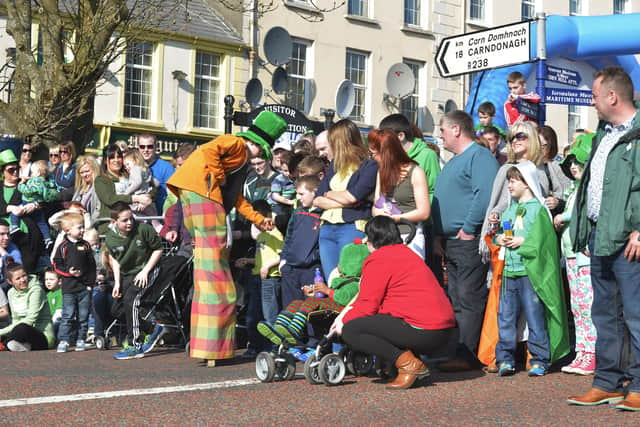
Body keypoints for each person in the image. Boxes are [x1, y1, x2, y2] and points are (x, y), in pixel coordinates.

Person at [167, 110, 287, 366]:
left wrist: (258, 219)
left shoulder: (241, 162)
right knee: (217, 271)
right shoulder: (237, 145)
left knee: (208, 268)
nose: (258, 159)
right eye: (261, 151)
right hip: (204, 195)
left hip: (194, 194)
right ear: (255, 143)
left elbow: (237, 199)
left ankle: (207, 344)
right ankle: (215, 346)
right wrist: (218, 178)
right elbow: (210, 150)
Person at [567, 66, 640, 410]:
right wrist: (584, 229)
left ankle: (639, 384)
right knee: (604, 313)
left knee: (636, 314)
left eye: (595, 95)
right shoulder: (603, 133)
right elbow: (589, 188)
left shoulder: (638, 134)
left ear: (612, 96)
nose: (592, 102)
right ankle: (608, 381)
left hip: (630, 240)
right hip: (599, 236)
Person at [334, 216, 455, 389]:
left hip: (425, 329)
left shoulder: (379, 259)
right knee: (384, 321)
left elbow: (368, 305)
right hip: (443, 329)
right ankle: (407, 361)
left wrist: (343, 322)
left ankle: (409, 365)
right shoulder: (407, 253)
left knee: (352, 330)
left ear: (370, 240)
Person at [431, 110, 499, 371]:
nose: (441, 134)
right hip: (450, 240)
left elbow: (483, 196)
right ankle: (456, 350)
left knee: (468, 297)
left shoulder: (479, 157)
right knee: (456, 298)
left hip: (466, 239)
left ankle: (468, 353)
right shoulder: (454, 161)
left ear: (457, 129)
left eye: (443, 129)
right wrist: (439, 234)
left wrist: (469, 228)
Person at [493, 163, 569, 377]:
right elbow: (500, 234)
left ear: (527, 183)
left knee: (535, 317)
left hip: (530, 273)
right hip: (510, 271)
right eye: (509, 180)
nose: (509, 185)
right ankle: (505, 359)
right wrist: (498, 236)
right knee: (506, 317)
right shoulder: (509, 209)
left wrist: (522, 241)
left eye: (513, 180)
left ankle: (540, 359)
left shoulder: (538, 209)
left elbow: (544, 240)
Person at [260, 238, 369, 346]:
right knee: (297, 302)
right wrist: (315, 292)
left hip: (339, 309)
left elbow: (345, 299)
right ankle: (280, 327)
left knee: (313, 302)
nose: (338, 265)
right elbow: (330, 294)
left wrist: (327, 290)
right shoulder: (339, 279)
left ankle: (295, 330)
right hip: (330, 304)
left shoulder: (356, 283)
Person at [313, 119, 378, 277]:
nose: (327, 150)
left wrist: (330, 194)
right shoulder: (334, 166)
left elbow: (353, 196)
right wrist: (345, 200)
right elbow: (317, 199)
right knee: (332, 280)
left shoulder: (369, 166)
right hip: (327, 228)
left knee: (350, 278)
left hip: (352, 227)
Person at [554, 144, 596, 375]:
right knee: (577, 306)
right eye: (570, 163)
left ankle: (592, 352)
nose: (572, 167)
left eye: (577, 162)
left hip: (584, 255)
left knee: (588, 305)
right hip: (570, 255)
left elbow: (585, 210)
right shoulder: (574, 189)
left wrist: (563, 216)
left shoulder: (589, 189)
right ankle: (582, 350)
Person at [105, 202, 166, 360]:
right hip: (128, 273)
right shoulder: (111, 238)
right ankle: (153, 329)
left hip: (150, 269)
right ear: (114, 222)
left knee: (131, 299)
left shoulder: (143, 229)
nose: (129, 222)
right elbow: (115, 259)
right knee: (117, 309)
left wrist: (145, 271)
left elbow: (158, 249)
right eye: (124, 220)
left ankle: (135, 345)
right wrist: (117, 282)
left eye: (131, 218)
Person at [368, 129, 430, 258]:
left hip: (409, 235)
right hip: (385, 236)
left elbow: (424, 212)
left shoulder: (415, 172)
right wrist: (379, 213)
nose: (373, 158)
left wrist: (395, 218)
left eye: (375, 154)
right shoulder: (381, 172)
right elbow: (376, 204)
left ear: (386, 153)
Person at [52, 212, 96, 352]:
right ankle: (64, 340)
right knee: (68, 315)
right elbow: (56, 264)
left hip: (84, 288)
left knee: (83, 317)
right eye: (79, 227)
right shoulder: (63, 246)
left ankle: (81, 339)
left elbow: (91, 266)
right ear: (68, 230)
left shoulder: (86, 246)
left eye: (83, 227)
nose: (82, 230)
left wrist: (90, 284)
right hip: (69, 288)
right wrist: (68, 273)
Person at [278, 175, 323, 307]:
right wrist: (284, 260)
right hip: (291, 269)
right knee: (290, 310)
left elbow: (325, 243)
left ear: (314, 191)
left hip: (312, 271)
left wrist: (313, 256)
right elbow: (289, 237)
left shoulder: (324, 214)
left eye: (302, 194)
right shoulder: (297, 213)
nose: (299, 197)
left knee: (310, 311)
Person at [0, 149, 45, 273]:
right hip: (3, 235)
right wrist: (10, 208)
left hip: (26, 235)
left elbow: (44, 197)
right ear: (3, 171)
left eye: (17, 169)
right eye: (10, 170)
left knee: (27, 270)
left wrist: (35, 205)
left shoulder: (26, 184)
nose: (15, 172)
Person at [94, 144, 152, 233]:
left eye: (119, 157)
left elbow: (150, 185)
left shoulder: (130, 173)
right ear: (106, 161)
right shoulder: (101, 180)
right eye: (112, 157)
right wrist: (134, 198)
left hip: (134, 224)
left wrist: (148, 197)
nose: (116, 160)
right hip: (112, 228)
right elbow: (110, 199)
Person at [0, 262, 55, 351]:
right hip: (20, 333)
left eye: (24, 276)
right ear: (10, 281)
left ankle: (6, 344)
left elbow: (30, 320)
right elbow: (15, 319)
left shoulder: (37, 290)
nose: (23, 280)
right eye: (18, 278)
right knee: (14, 331)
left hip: (43, 337)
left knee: (22, 328)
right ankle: (21, 346)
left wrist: (1, 332)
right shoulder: (10, 293)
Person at [15, 160, 59, 248]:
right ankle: (47, 239)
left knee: (15, 211)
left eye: (32, 171)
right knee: (42, 223)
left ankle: (14, 226)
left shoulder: (35, 181)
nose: (31, 173)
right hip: (39, 205)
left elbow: (27, 191)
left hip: (28, 202)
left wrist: (20, 184)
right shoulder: (46, 182)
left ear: (38, 172)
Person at [137, 134, 174, 214]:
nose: (145, 150)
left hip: (160, 217)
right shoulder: (134, 165)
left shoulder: (166, 167)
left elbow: (172, 195)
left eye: (149, 147)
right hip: (137, 218)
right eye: (142, 147)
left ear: (155, 147)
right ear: (138, 147)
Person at [538, 125, 571, 215]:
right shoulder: (530, 166)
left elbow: (569, 196)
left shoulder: (560, 166)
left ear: (551, 144)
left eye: (543, 145)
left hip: (556, 216)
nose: (539, 149)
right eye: (537, 144)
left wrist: (558, 203)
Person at [122, 149, 157, 216]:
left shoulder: (135, 169)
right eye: (125, 166)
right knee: (151, 217)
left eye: (127, 164)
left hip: (139, 197)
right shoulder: (145, 169)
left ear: (136, 161)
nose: (126, 167)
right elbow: (155, 182)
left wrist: (126, 192)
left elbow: (137, 182)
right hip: (146, 197)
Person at [72, 155, 102, 227]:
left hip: (91, 226)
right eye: (82, 172)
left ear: (94, 169)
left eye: (87, 171)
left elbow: (99, 210)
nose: (85, 175)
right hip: (76, 223)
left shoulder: (100, 186)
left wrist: (88, 225)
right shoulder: (80, 188)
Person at [269, 150, 296, 216]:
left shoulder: (296, 179)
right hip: (276, 205)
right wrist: (289, 202)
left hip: (287, 205)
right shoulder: (279, 179)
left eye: (291, 170)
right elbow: (275, 196)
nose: (288, 173)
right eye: (285, 171)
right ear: (281, 167)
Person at [0, 219, 22, 293]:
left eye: (8, 234)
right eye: (2, 234)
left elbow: (17, 270)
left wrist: (4, 253)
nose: (6, 238)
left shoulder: (11, 247)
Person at [43, 267, 63, 338]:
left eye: (51, 279)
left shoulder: (61, 293)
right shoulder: (47, 294)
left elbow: (59, 313)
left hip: (56, 322)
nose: (48, 282)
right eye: (46, 279)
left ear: (59, 281)